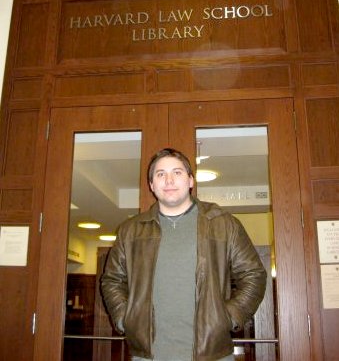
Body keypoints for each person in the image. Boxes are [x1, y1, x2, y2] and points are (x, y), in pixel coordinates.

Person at [101, 148, 267, 361]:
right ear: (151, 185)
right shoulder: (130, 230)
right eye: (160, 174)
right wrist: (125, 318)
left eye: (177, 172)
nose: (169, 180)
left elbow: (254, 275)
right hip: (148, 357)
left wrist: (229, 317)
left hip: (213, 355)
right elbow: (112, 280)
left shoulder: (224, 224)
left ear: (190, 181)